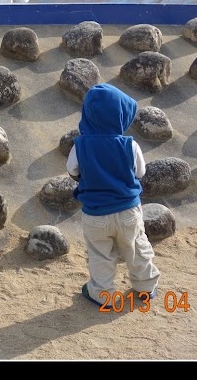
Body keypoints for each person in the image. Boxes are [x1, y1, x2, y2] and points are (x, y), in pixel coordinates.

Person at [67, 83, 161, 310]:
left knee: (100, 254)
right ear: (120, 115)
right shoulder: (130, 144)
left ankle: (102, 295)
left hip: (96, 214)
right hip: (128, 210)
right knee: (137, 246)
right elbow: (141, 172)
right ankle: (146, 287)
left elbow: (72, 169)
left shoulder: (80, 145)